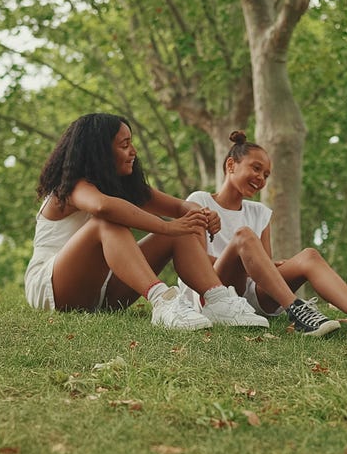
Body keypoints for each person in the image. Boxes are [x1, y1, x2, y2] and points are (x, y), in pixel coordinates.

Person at [24, 113, 270, 331]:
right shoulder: (70, 188)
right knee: (106, 223)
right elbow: (103, 207)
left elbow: (179, 207)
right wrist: (166, 226)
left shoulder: (122, 186)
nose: (133, 151)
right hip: (53, 289)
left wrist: (202, 214)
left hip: (104, 292)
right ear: (100, 150)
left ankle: (217, 300)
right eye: (125, 145)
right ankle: (163, 301)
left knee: (184, 226)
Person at [179, 131, 347, 337]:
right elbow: (193, 261)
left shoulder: (260, 212)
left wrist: (267, 265)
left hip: (249, 298)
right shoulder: (199, 201)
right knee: (244, 235)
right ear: (231, 165)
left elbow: (261, 272)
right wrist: (248, 261)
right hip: (213, 292)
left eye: (266, 175)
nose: (260, 178)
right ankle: (296, 309)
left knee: (309, 256)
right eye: (256, 168)